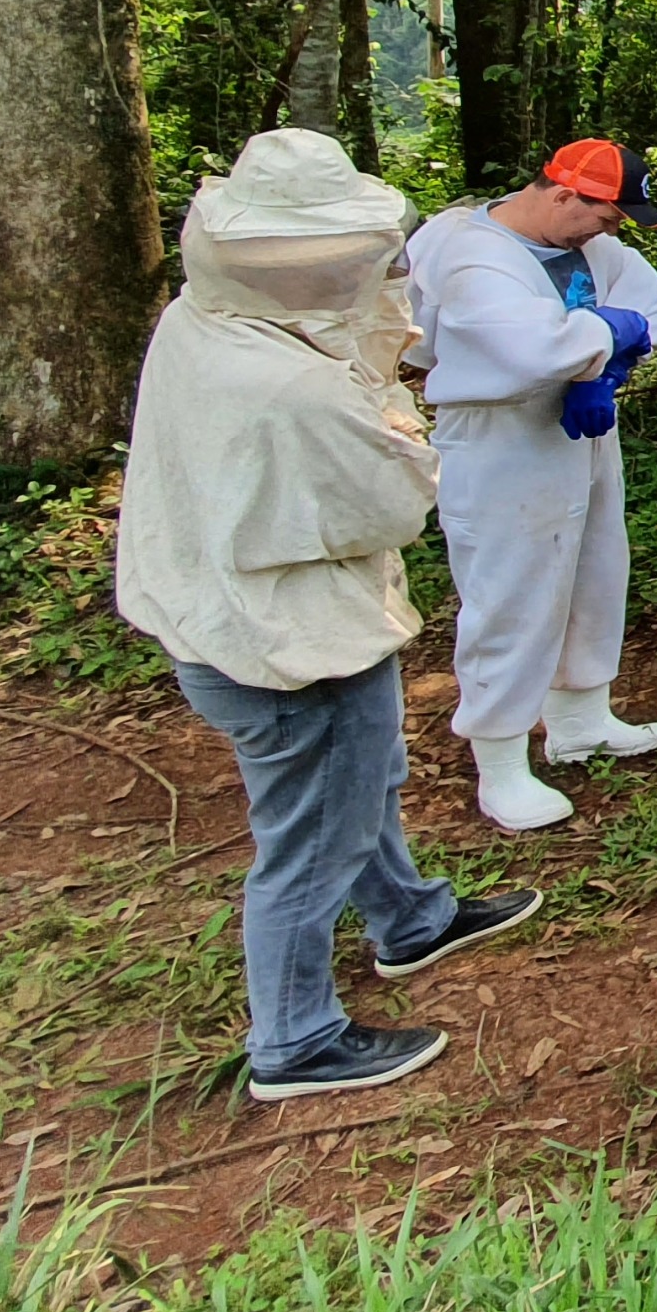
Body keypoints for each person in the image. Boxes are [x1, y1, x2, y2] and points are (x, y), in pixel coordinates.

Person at [114, 131, 540, 1102]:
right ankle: (295, 1039)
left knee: (357, 781)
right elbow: (392, 503)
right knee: (312, 837)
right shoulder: (294, 390)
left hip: (228, 615)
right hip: (284, 642)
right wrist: (397, 424)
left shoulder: (198, 321)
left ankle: (411, 920)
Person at [407, 140, 657, 830]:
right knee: (511, 589)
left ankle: (581, 717)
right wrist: (605, 339)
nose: (609, 233)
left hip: (580, 422)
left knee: (595, 566)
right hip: (500, 431)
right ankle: (500, 759)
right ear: (564, 195)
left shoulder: (592, 246)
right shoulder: (472, 254)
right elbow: (532, 347)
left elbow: (651, 304)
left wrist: (605, 368)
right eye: (607, 218)